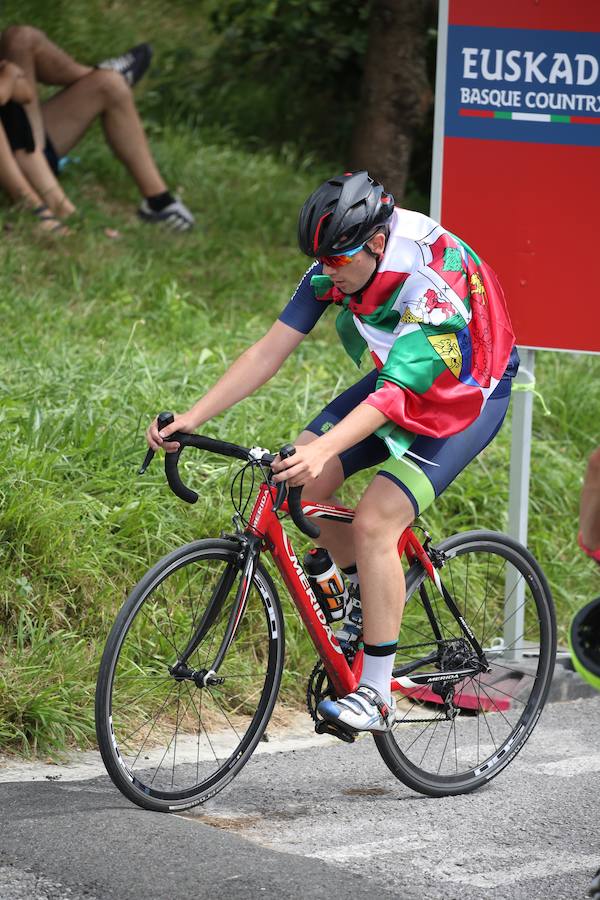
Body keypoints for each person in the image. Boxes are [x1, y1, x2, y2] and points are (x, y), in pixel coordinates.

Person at [146, 171, 519, 733]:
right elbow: (270, 349)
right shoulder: (337, 258)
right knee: (297, 481)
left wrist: (325, 448)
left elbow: (398, 397)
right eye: (320, 261)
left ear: (375, 242)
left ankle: (377, 693)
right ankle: (364, 596)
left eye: (337, 262)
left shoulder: (429, 279)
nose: (327, 273)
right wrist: (192, 417)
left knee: (375, 520)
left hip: (467, 391)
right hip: (399, 373)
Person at [0, 26, 194, 231]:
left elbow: (24, 94)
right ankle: (41, 207)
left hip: (22, 146)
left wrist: (10, 76)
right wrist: (10, 77)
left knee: (109, 84)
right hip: (14, 159)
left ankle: (160, 202)